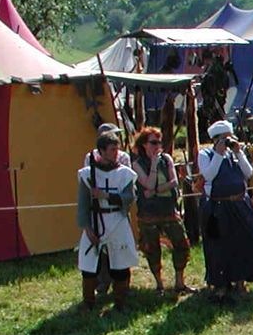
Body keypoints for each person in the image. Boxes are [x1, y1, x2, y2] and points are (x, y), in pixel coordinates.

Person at [199, 120, 253, 300]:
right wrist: (218, 154)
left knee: (243, 242)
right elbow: (209, 175)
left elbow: (248, 173)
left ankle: (241, 281)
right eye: (224, 138)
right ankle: (221, 283)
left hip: (240, 204)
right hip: (218, 206)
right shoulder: (206, 154)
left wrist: (238, 153)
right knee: (219, 246)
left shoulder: (234, 154)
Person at [76, 131, 140, 312]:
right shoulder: (87, 174)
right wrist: (88, 228)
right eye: (112, 149)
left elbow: (128, 198)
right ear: (102, 151)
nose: (116, 153)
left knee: (120, 264)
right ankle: (88, 302)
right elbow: (83, 204)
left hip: (117, 220)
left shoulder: (125, 174)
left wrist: (105, 196)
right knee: (89, 265)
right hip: (95, 220)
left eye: (117, 149)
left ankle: (120, 302)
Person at [130, 128, 193, 296]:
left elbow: (173, 182)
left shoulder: (166, 159)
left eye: (159, 142)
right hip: (148, 213)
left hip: (168, 209)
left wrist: (155, 190)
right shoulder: (137, 164)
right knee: (152, 249)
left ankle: (180, 282)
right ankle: (159, 285)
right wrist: (153, 165)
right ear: (144, 144)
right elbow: (147, 184)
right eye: (153, 143)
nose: (157, 146)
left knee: (181, 244)